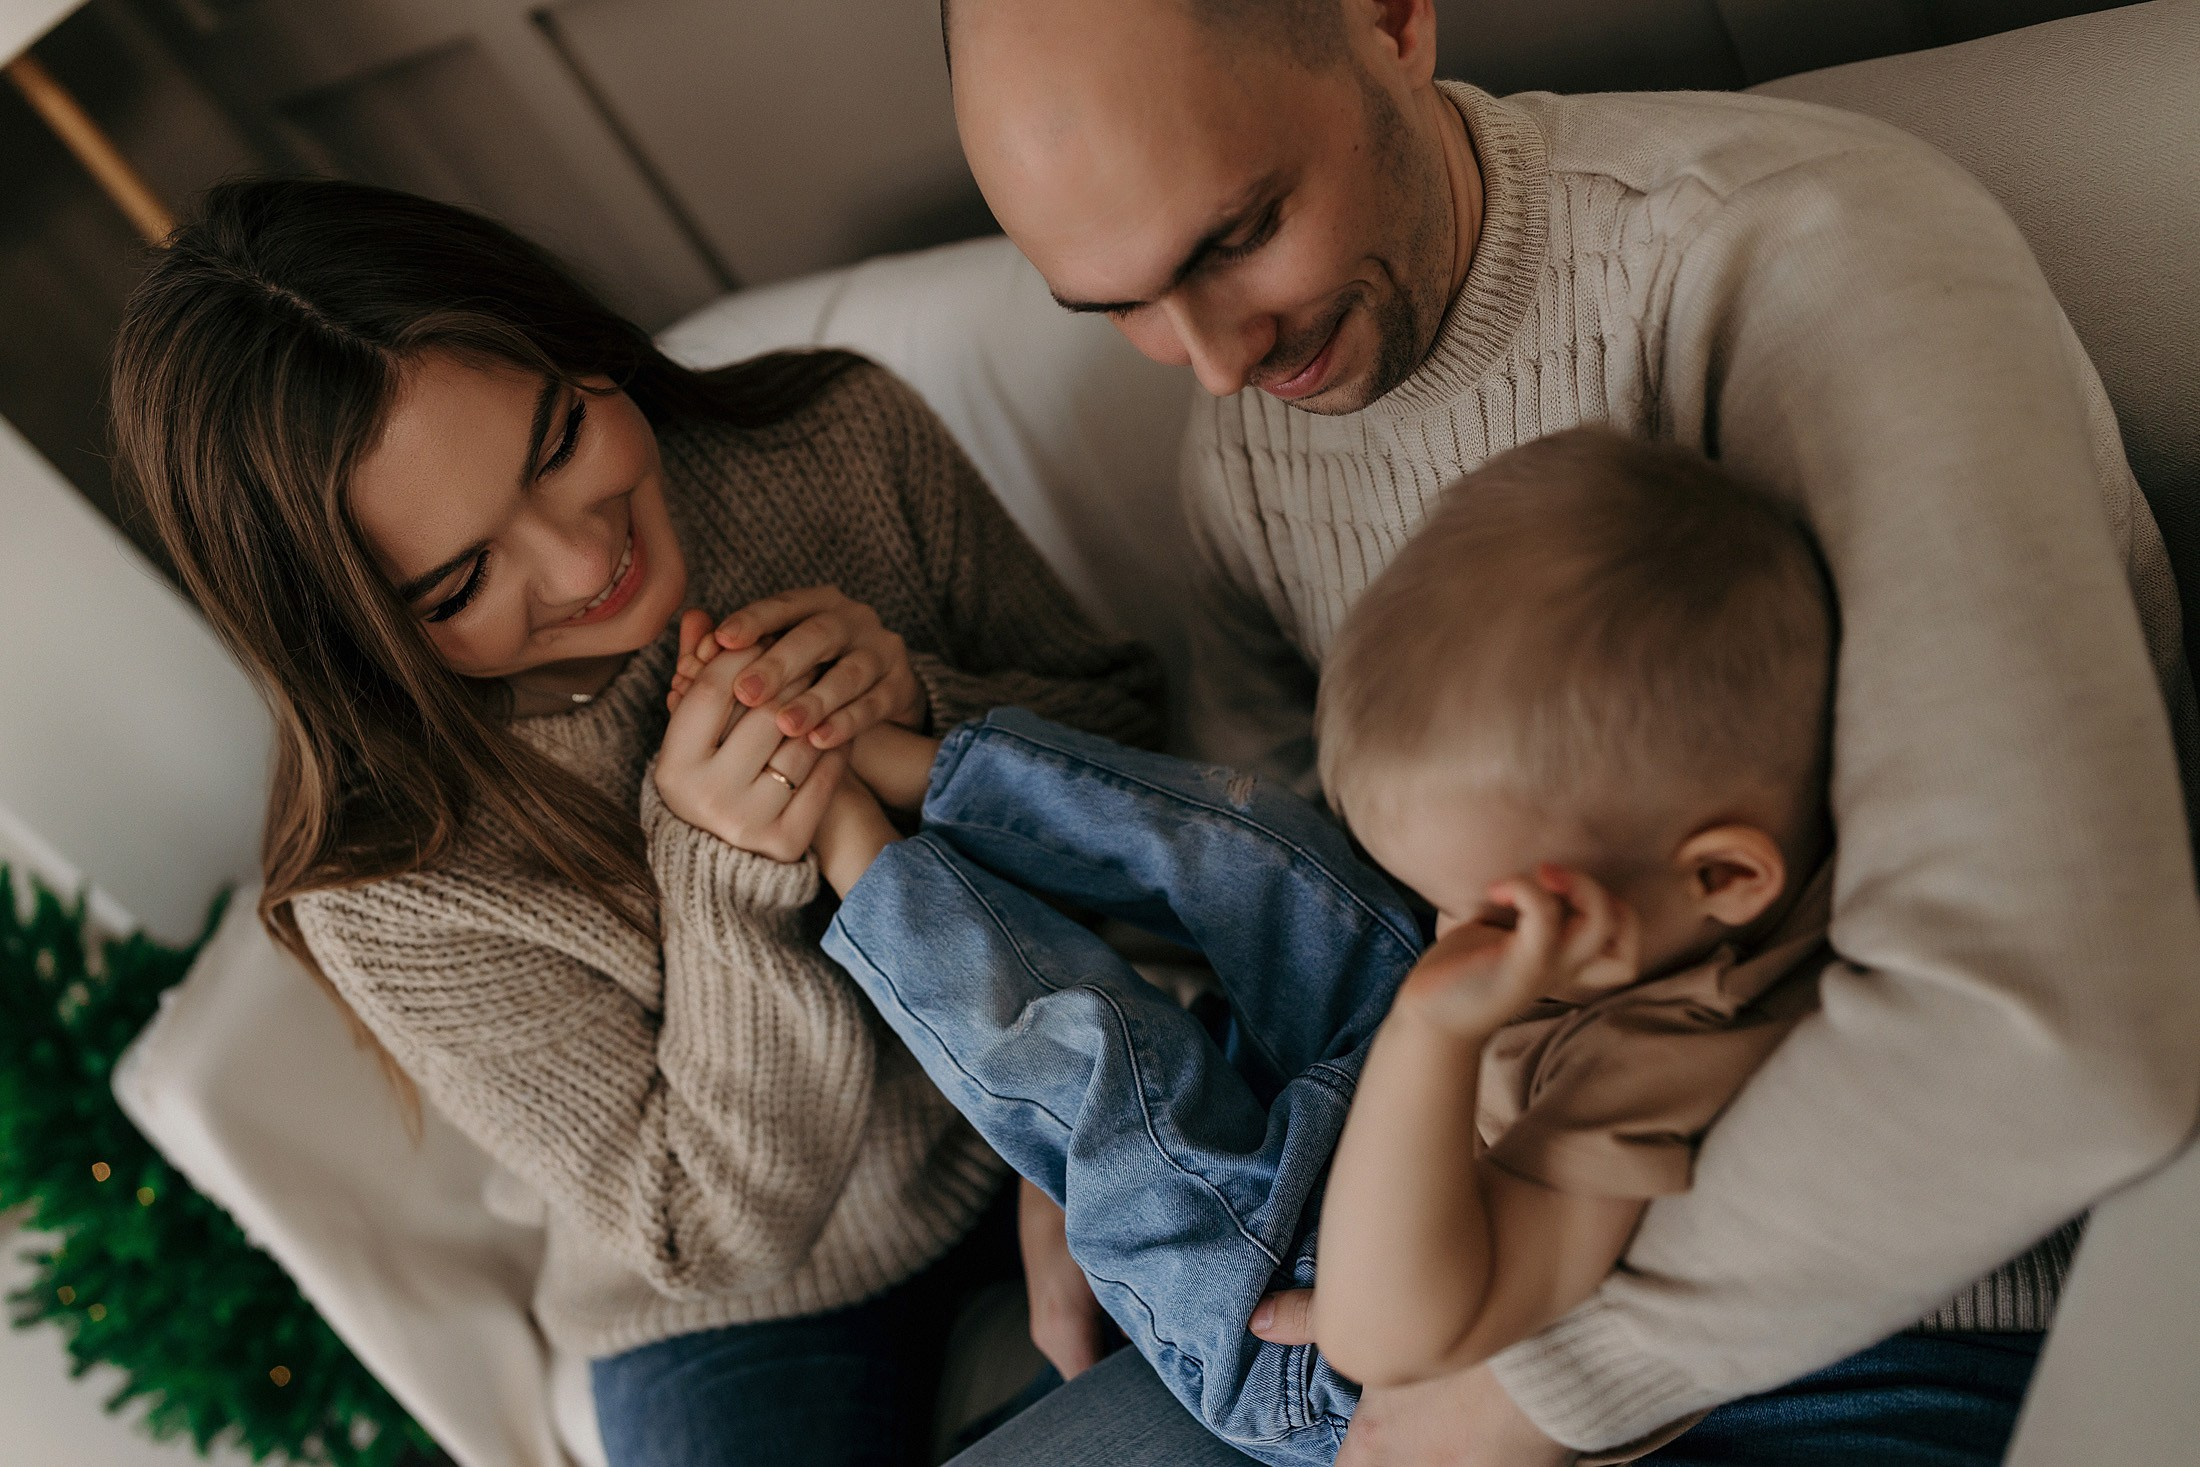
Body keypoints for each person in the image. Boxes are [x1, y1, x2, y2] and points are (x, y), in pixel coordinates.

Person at [941, 0, 2200, 1462]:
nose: (1214, 358)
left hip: (1903, 1299)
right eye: (1120, 307)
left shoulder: (1804, 261)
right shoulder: (1250, 455)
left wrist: (1542, 1382)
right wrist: (1116, 1104)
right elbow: (1279, 895)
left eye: (1238, 235)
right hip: (1456, 1247)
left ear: (1390, 19)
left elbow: (2061, 1033)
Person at [108, 177, 1164, 1467]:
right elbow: (702, 1234)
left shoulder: (834, 438)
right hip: (745, 1307)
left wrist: (925, 725)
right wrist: (722, 880)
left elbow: (1146, 775)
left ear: (579, 342)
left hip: (1067, 1088)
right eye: (459, 582)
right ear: (358, 637)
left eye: (556, 442)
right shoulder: (391, 883)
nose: (577, 563)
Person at [775, 429, 1835, 1466]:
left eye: (1490, 911)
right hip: (1416, 1093)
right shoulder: (1693, 879)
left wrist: (1430, 1031)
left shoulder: (1657, 1071)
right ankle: (931, 773)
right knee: (1266, 857)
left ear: (1725, 877)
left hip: (1334, 1334)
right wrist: (1439, 990)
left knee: (1116, 1089)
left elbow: (1388, 1337)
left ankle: (858, 850)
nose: (1451, 928)